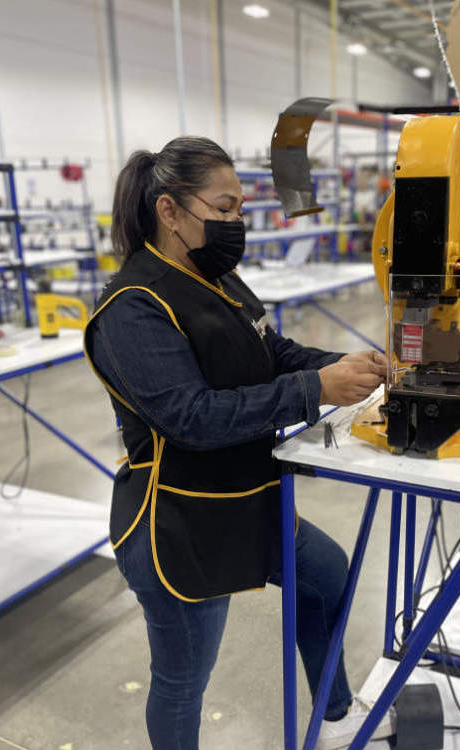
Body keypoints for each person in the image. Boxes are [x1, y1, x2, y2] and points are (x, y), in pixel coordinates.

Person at [83, 136, 391, 749]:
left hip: (247, 498)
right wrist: (315, 388)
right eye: (222, 209)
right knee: (182, 678)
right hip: (181, 521)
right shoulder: (133, 307)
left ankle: (334, 716)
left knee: (326, 576)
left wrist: (347, 367)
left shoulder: (218, 278)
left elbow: (268, 351)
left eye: (240, 209)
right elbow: (191, 417)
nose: (236, 223)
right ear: (169, 211)